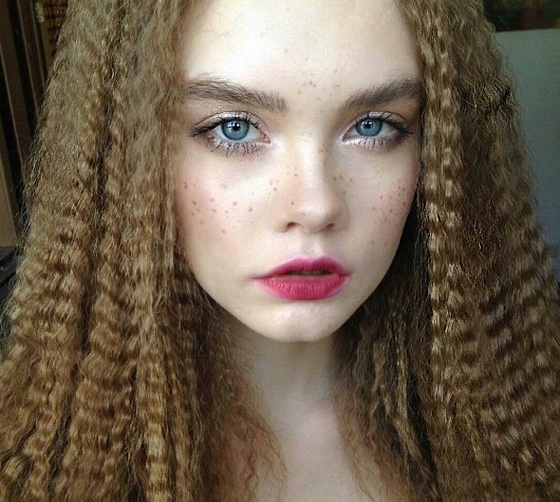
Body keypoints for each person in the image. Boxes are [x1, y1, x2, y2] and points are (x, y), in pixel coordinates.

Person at [0, 0, 558, 500]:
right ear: (123, 150)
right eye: (234, 129)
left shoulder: (523, 416)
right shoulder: (33, 450)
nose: (315, 205)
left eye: (373, 126)